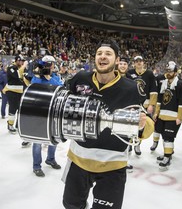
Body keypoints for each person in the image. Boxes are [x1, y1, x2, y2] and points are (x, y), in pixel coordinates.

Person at [62, 39, 154, 209]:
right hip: (78, 159)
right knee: (71, 205)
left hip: (113, 164)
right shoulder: (80, 78)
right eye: (99, 53)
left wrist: (142, 125)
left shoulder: (131, 88)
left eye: (108, 54)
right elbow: (60, 103)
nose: (102, 57)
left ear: (117, 60)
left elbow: (147, 124)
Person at [30, 55, 63, 177]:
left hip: (52, 111)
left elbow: (60, 87)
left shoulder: (54, 77)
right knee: (37, 141)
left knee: (53, 137)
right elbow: (33, 88)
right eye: (47, 65)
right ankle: (36, 166)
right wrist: (39, 76)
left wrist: (49, 78)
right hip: (39, 111)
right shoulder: (37, 77)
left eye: (51, 64)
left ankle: (50, 159)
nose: (50, 67)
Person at [152, 61, 182, 170]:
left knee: (168, 138)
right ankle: (168, 153)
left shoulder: (180, 84)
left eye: (170, 71)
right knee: (164, 135)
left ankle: (167, 157)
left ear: (175, 72)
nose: (168, 72)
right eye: (167, 71)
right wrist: (156, 112)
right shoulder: (164, 83)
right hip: (162, 115)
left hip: (173, 116)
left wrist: (180, 117)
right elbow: (159, 100)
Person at [127, 55, 158, 156]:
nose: (139, 63)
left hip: (145, 105)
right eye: (137, 61)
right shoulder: (129, 73)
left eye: (140, 61)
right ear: (134, 63)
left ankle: (137, 144)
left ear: (143, 62)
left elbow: (153, 90)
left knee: (141, 126)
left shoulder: (149, 74)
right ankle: (129, 144)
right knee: (130, 124)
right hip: (132, 103)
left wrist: (152, 105)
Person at [4, 55, 29, 146]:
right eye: (20, 61)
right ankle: (10, 125)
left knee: (20, 109)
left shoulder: (22, 68)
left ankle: (18, 124)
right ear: (16, 61)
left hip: (20, 92)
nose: (22, 62)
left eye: (23, 61)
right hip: (12, 92)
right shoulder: (11, 68)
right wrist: (23, 66)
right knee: (12, 109)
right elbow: (17, 75)